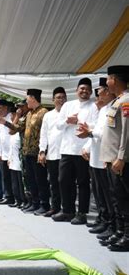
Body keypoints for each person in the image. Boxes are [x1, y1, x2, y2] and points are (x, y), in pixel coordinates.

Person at [53, 78, 98, 224]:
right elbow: (58, 125)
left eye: (87, 89)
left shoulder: (94, 106)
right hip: (66, 149)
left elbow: (95, 128)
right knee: (64, 180)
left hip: (82, 150)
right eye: (81, 88)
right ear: (77, 90)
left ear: (91, 91)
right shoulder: (68, 105)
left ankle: (82, 213)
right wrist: (68, 121)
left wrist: (88, 144)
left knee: (83, 182)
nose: (84, 91)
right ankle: (67, 210)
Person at [80, 78, 116, 235]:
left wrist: (90, 132)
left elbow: (106, 133)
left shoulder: (113, 108)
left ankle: (111, 222)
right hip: (95, 156)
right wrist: (86, 145)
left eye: (99, 92)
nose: (97, 95)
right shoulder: (102, 110)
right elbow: (96, 129)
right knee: (98, 190)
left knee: (108, 193)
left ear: (107, 92)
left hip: (105, 157)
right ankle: (103, 218)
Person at [99, 65, 129, 252]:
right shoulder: (117, 101)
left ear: (115, 80)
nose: (106, 82)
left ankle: (127, 235)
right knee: (117, 197)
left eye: (108, 78)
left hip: (121, 161)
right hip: (113, 159)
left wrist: (121, 157)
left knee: (124, 198)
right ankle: (120, 231)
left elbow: (127, 132)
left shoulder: (126, 100)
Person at [38, 87, 67, 217]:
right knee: (54, 182)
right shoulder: (48, 115)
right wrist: (42, 151)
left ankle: (66, 208)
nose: (61, 100)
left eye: (63, 97)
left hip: (66, 153)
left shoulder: (69, 113)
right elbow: (43, 134)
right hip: (52, 154)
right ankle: (55, 207)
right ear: (53, 100)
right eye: (58, 97)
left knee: (65, 182)